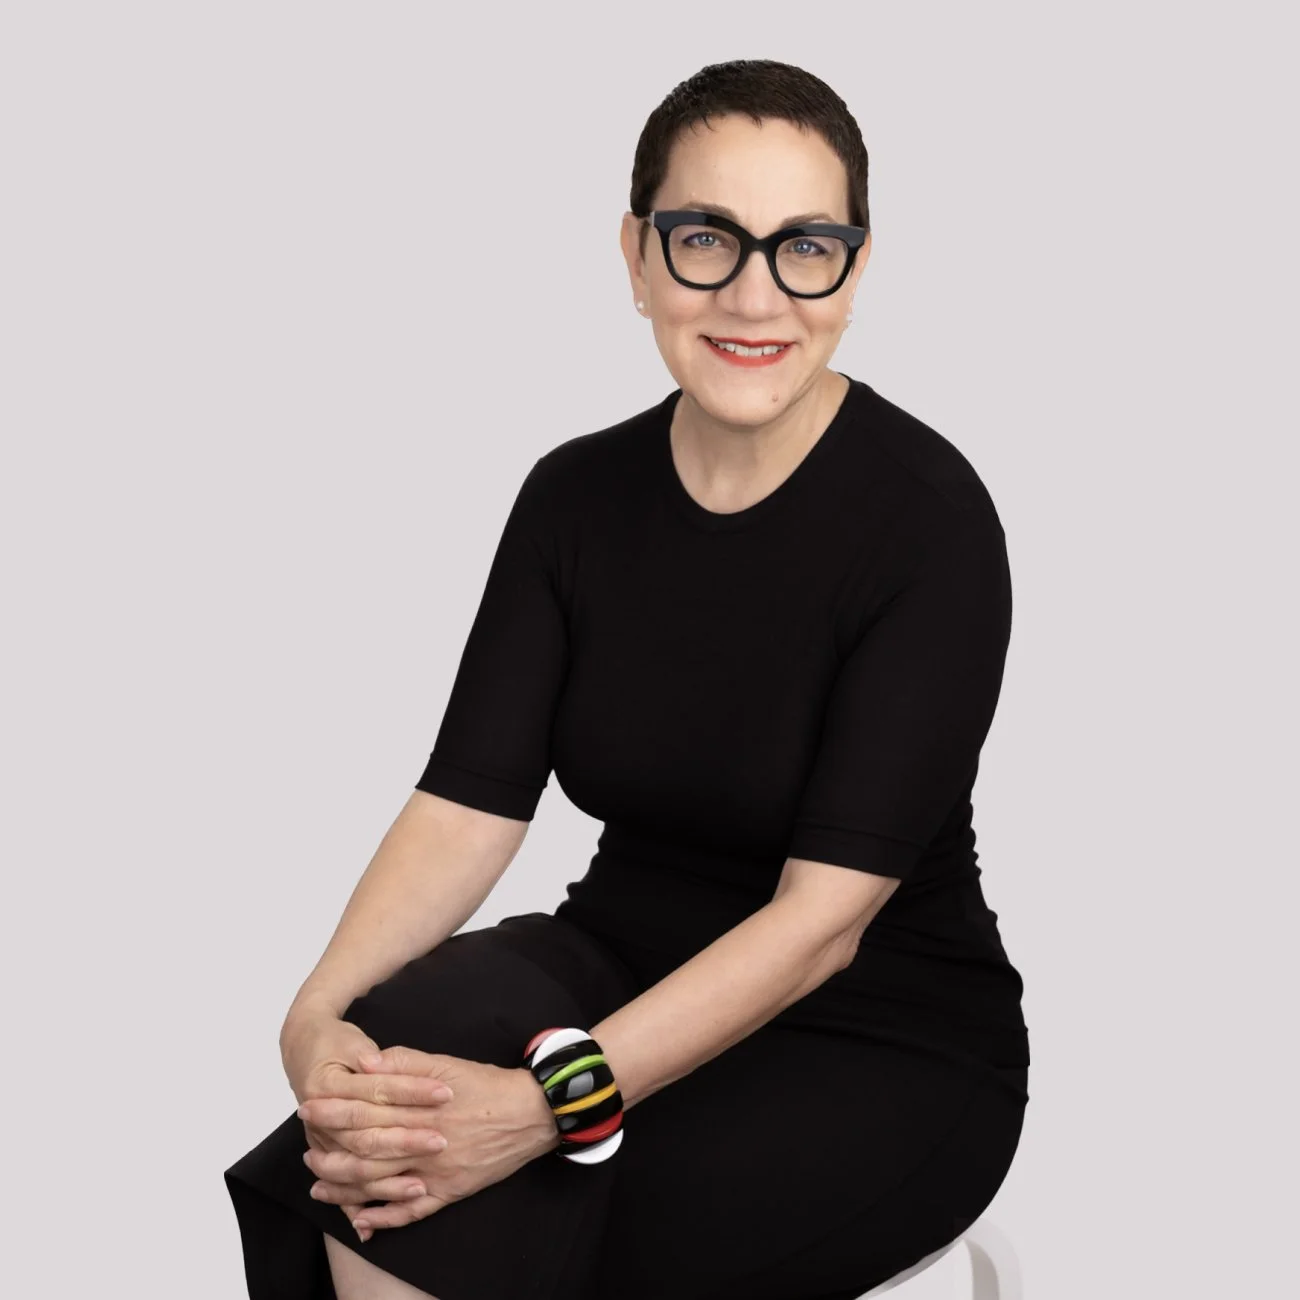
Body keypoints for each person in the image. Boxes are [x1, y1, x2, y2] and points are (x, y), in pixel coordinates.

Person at [224, 58, 1031, 1300]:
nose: (754, 292)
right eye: (706, 237)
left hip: (879, 1031)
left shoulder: (926, 523)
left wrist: (549, 1107)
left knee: (501, 1190)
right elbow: (467, 804)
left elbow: (821, 925)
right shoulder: (573, 498)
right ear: (638, 253)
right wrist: (316, 1016)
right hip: (613, 952)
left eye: (805, 247)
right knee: (377, 1118)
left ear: (855, 272)